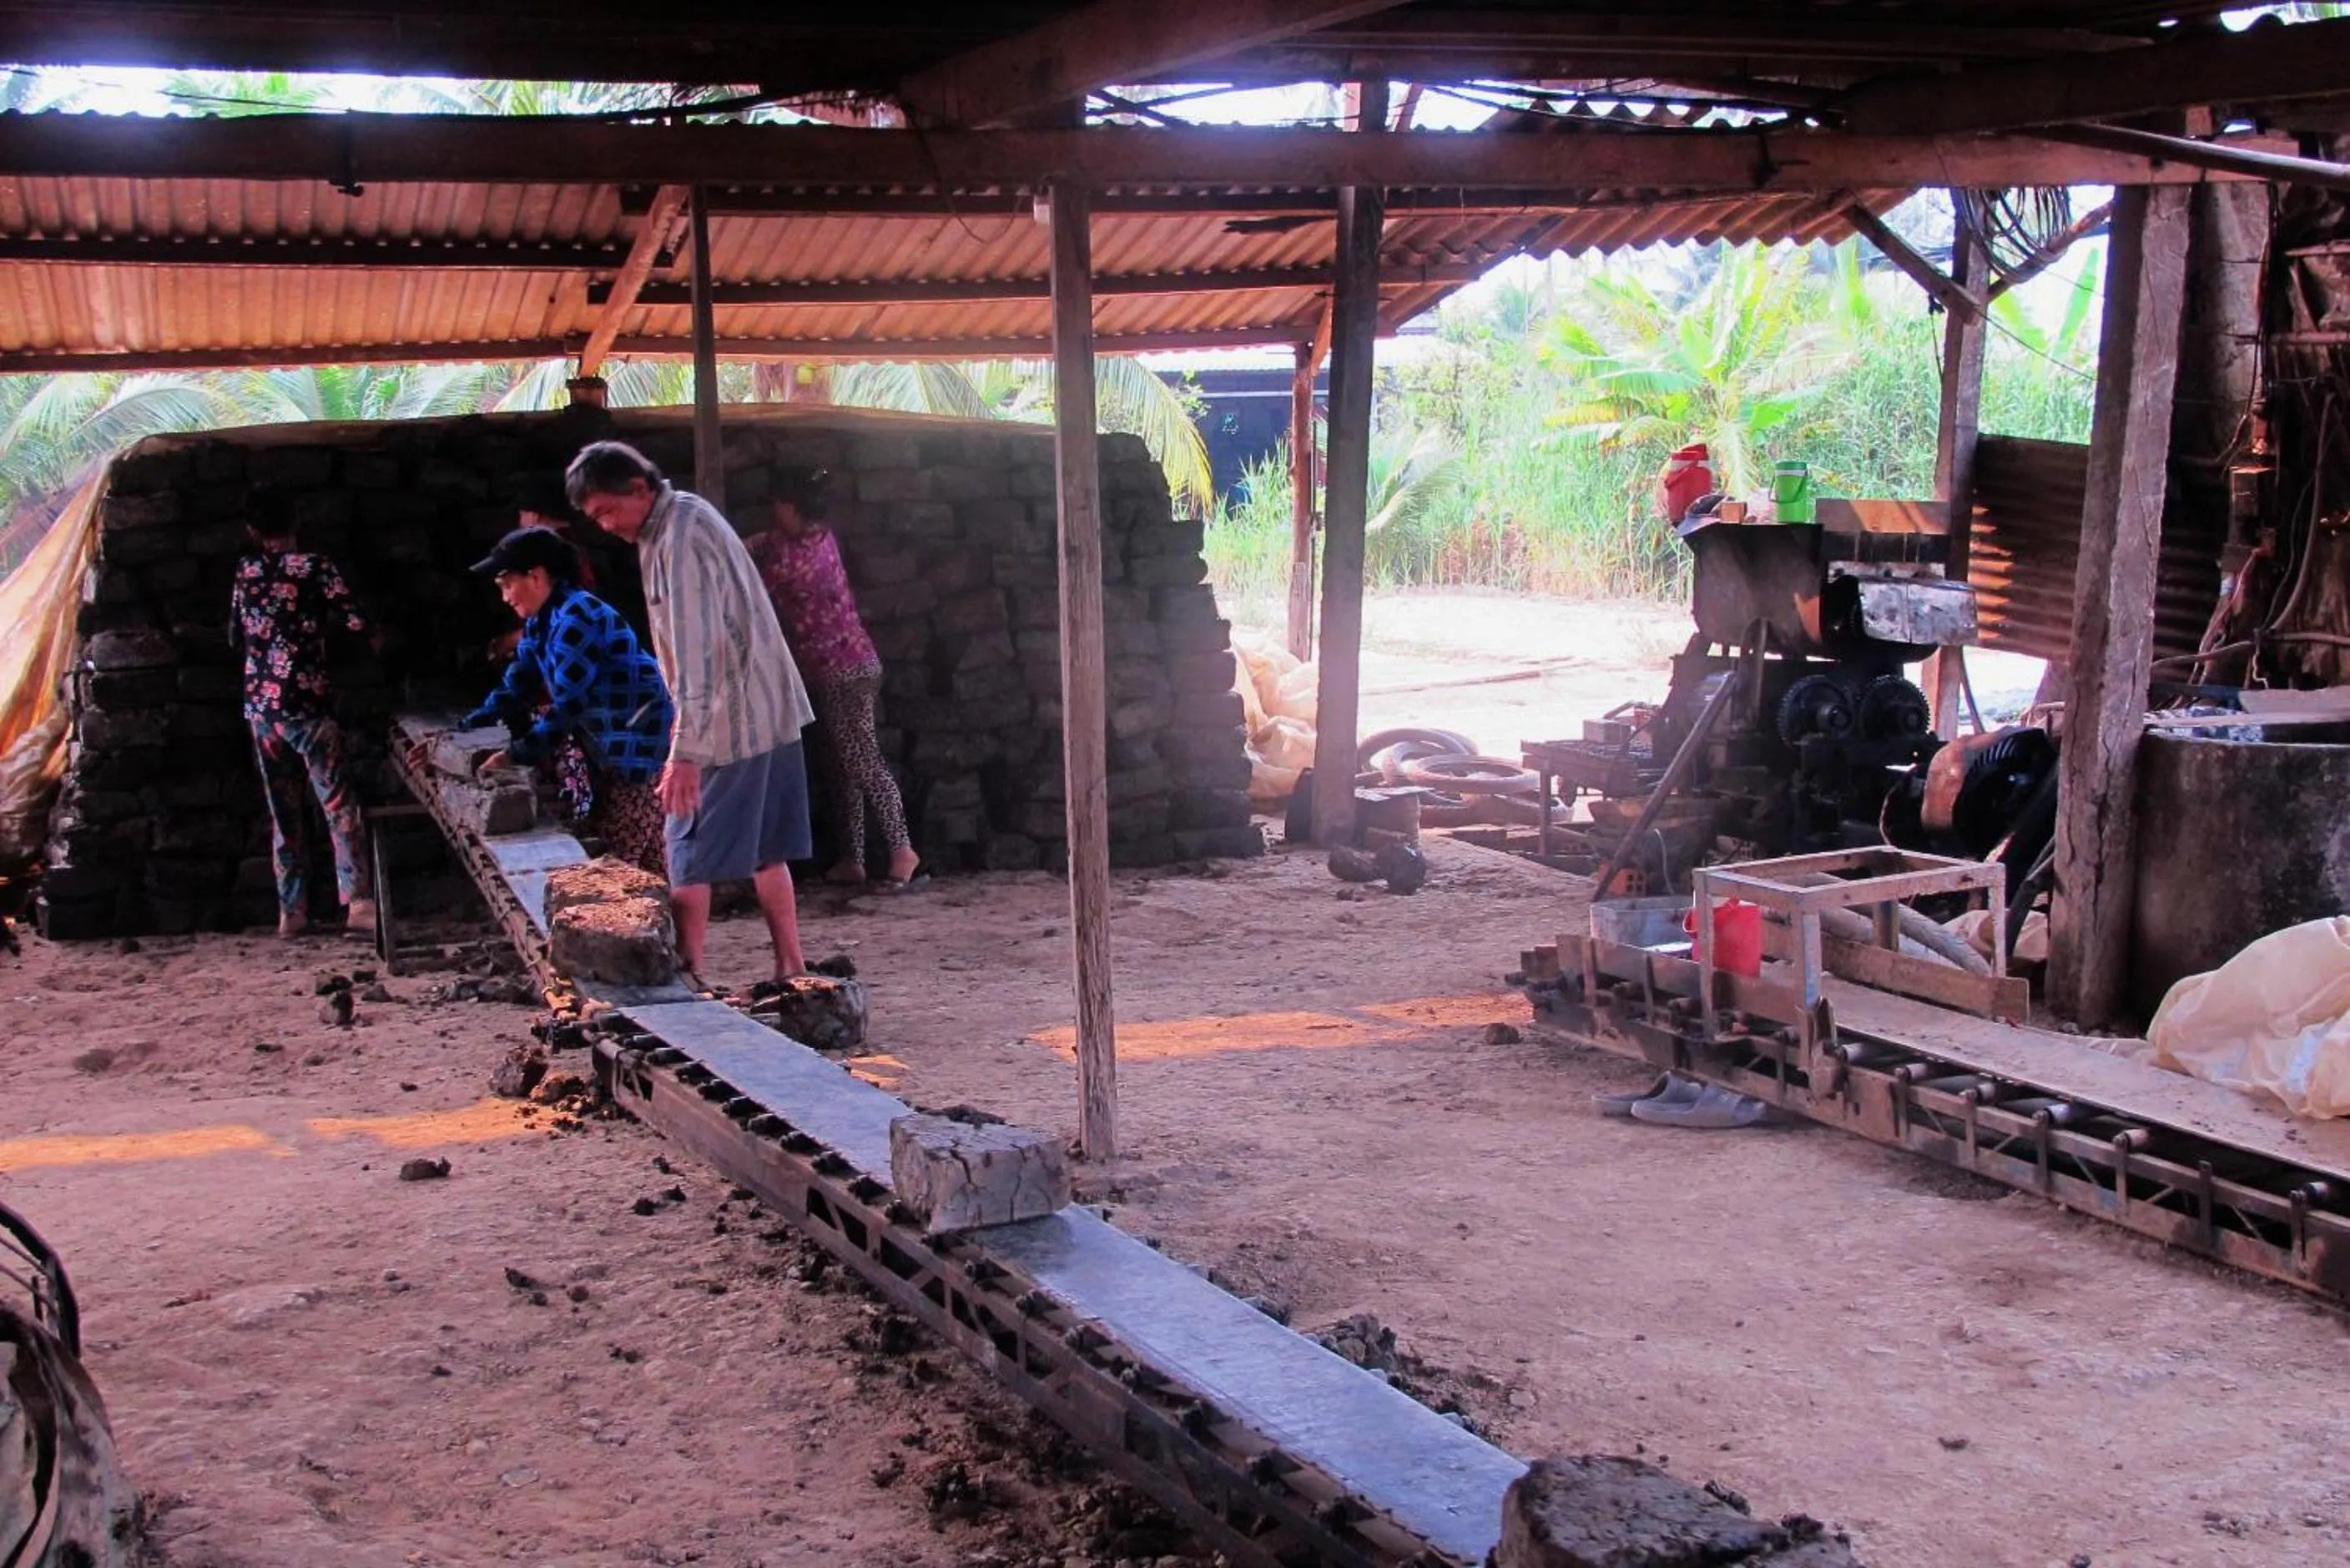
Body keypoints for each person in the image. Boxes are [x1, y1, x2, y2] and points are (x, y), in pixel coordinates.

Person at [564, 441, 816, 980]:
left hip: (733, 718)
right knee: (768, 848)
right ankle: (791, 968)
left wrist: (687, 751)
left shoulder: (679, 538)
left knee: (684, 840)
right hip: (767, 706)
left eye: (607, 510)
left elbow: (700, 652)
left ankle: (688, 974)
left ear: (638, 488)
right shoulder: (677, 520)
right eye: (595, 518)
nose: (605, 525)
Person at [447, 526, 673, 877]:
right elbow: (517, 684)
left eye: (506, 584)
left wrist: (513, 754)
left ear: (536, 577)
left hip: (637, 746)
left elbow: (569, 707)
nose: (505, 597)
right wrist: (459, 734)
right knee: (648, 864)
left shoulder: (576, 618)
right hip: (610, 744)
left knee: (619, 871)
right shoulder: (543, 620)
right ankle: (674, 926)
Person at [748, 468, 922, 890]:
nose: (773, 515)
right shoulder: (822, 538)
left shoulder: (790, 561)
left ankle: (902, 848)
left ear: (790, 508)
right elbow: (773, 541)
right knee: (844, 763)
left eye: (777, 507)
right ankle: (854, 859)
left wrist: (743, 545)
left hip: (840, 669)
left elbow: (754, 576)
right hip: (852, 664)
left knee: (860, 759)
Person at [229, 492, 378, 938]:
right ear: (296, 521)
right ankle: (359, 905)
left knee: (283, 810)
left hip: (261, 711)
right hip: (307, 705)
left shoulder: (245, 572)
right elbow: (356, 622)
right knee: (337, 806)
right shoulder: (315, 567)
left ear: (252, 533)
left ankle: (291, 912)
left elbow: (235, 634)